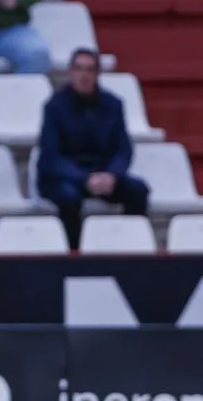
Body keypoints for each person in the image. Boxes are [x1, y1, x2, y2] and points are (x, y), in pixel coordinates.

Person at [37, 48, 150, 251]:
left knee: (138, 190)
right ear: (70, 72)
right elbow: (51, 158)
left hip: (103, 174)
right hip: (66, 176)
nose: (84, 75)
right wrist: (85, 178)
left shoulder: (113, 104)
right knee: (68, 197)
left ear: (98, 74)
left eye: (89, 69)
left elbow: (123, 149)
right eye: (79, 69)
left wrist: (112, 175)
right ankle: (75, 253)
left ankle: (130, 248)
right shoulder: (54, 107)